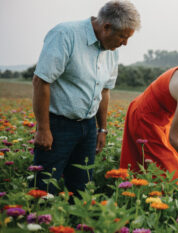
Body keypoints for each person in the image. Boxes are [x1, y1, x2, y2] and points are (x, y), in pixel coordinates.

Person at [31, 0, 140, 195]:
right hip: (57, 125)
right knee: (46, 187)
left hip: (88, 127)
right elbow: (41, 81)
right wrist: (43, 129)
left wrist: (102, 128)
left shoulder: (111, 51)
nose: (125, 43)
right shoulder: (66, 34)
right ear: (106, 27)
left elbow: (104, 90)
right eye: (123, 37)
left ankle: (77, 225)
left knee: (82, 188)